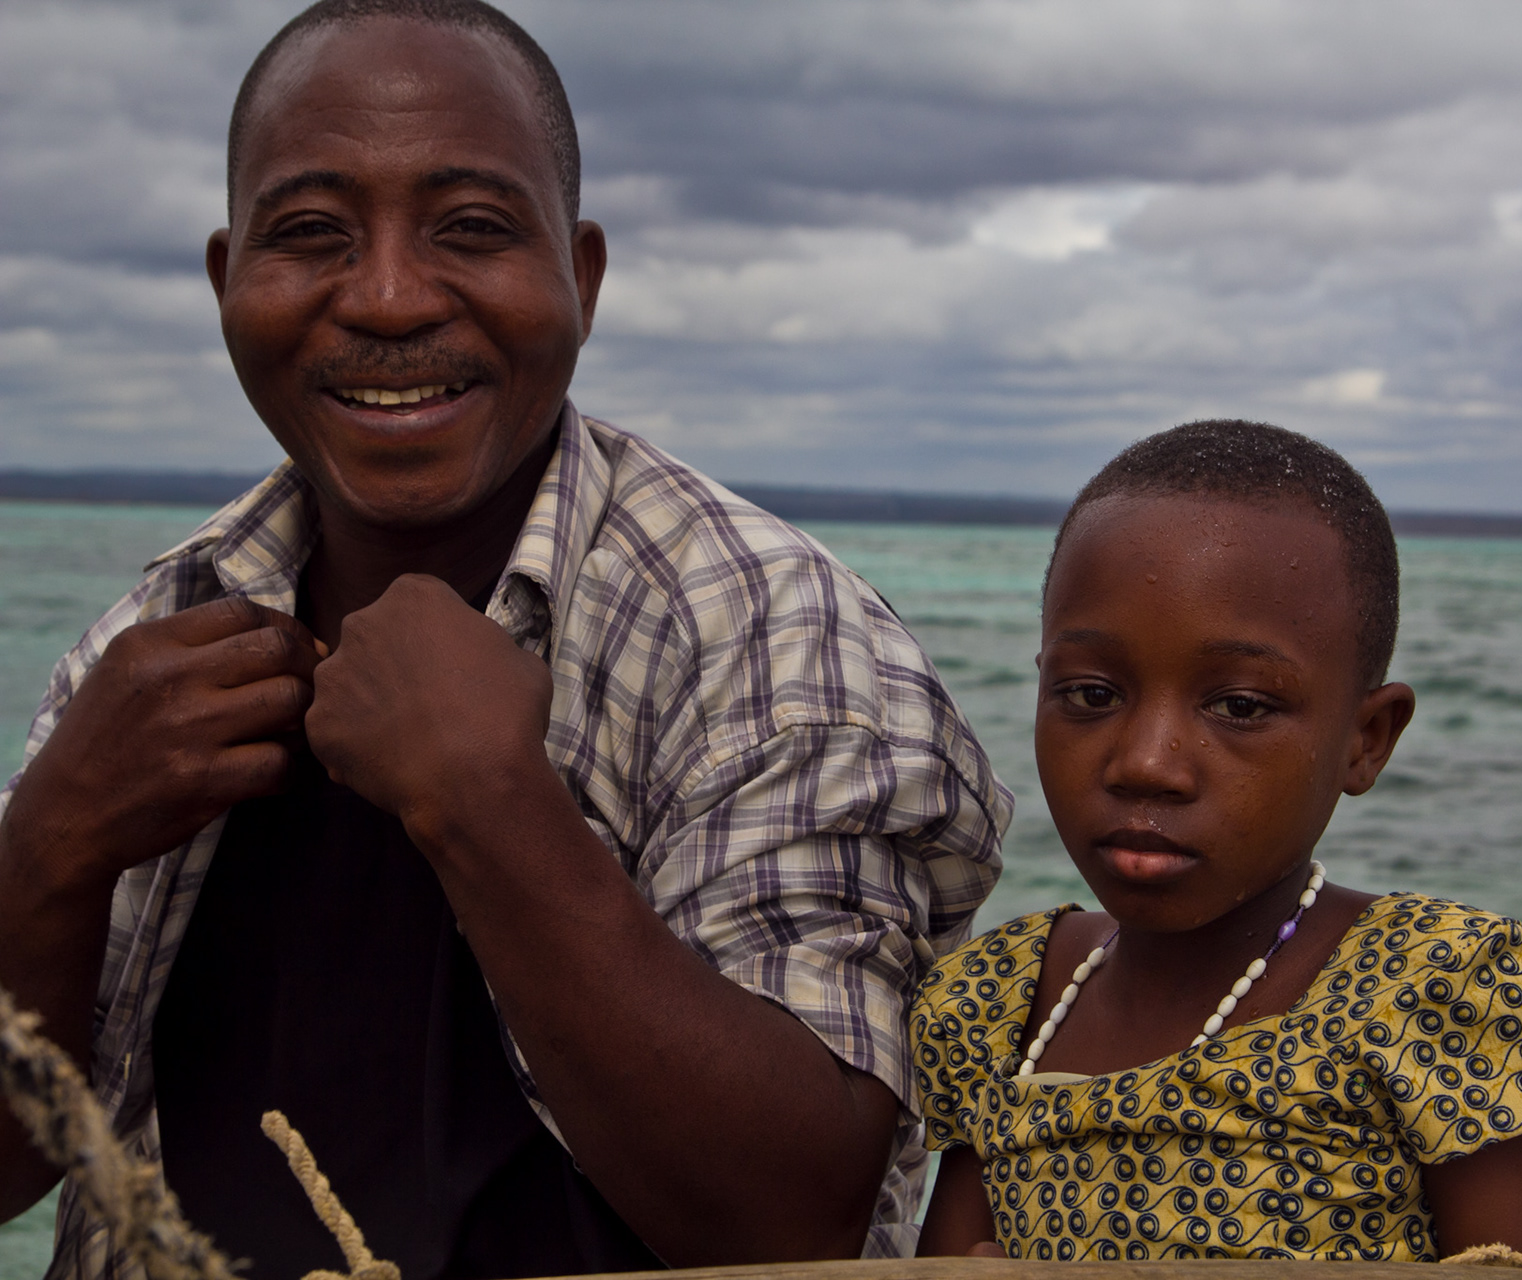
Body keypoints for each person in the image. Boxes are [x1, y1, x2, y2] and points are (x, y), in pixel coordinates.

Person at [0, 2, 1009, 1277]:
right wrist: (46, 845)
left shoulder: (772, 641)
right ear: (225, 282)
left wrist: (488, 801)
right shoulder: (149, 637)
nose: (384, 296)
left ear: (580, 276)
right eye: (309, 233)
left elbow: (787, 1221)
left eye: (471, 229)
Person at [911, 420, 1522, 1265]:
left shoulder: (1434, 990)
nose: (1146, 763)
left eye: (1239, 707)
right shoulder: (994, 1005)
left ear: (1367, 739)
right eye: (1091, 694)